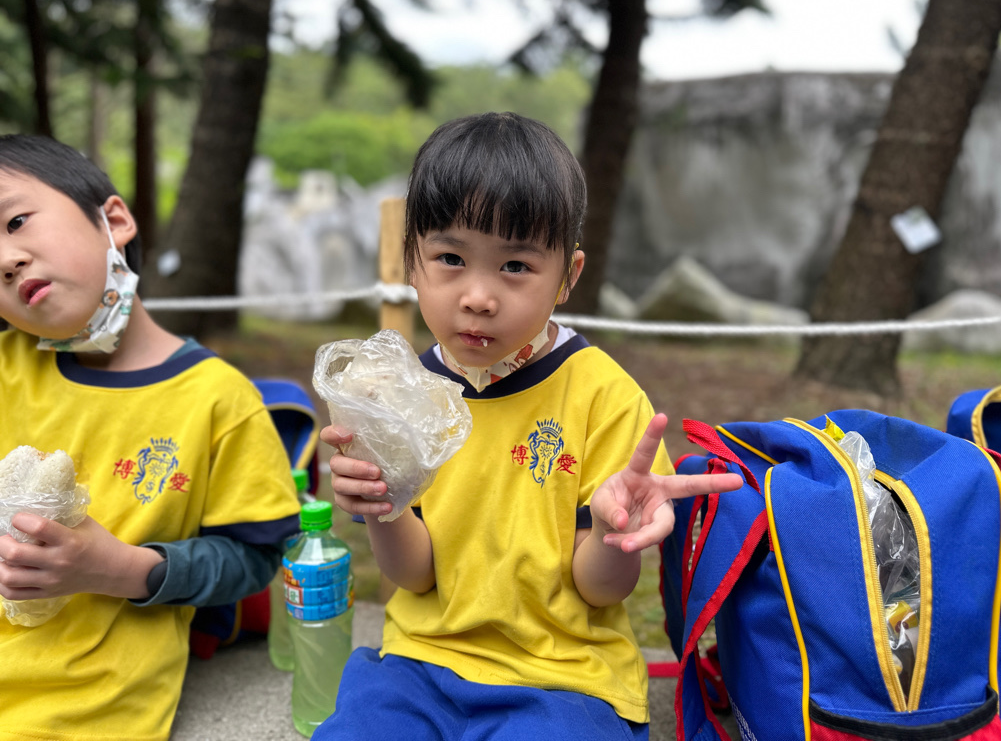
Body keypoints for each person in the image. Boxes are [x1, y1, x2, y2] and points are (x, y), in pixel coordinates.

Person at [315, 112, 742, 741]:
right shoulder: (399, 395)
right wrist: (385, 504)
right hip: (421, 665)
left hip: (561, 679)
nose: (478, 296)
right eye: (451, 258)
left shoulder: (603, 396)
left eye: (515, 266)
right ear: (411, 261)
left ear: (568, 276)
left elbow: (599, 591)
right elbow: (415, 576)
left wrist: (613, 532)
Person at [0, 134, 301, 741]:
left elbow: (254, 557)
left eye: (16, 221)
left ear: (114, 221)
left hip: (80, 707)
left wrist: (122, 569)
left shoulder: (218, 400)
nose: (6, 260)